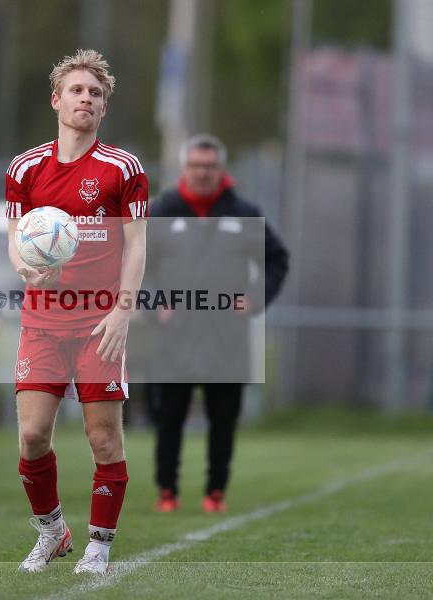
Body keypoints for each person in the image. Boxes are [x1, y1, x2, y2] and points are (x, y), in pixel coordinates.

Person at [5, 49, 149, 575]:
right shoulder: (25, 168)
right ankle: (51, 531)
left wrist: (122, 312)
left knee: (103, 438)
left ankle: (100, 545)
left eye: (95, 93)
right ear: (56, 100)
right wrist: (27, 269)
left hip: (99, 323)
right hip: (42, 320)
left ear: (103, 108)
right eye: (76, 90)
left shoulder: (123, 169)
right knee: (32, 435)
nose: (85, 98)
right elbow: (15, 241)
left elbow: (136, 246)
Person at [147, 134, 289, 513]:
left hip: (226, 335)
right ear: (184, 169)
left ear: (221, 170)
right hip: (174, 336)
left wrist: (256, 299)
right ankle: (167, 492)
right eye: (195, 165)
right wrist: (152, 303)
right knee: (168, 417)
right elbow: (135, 265)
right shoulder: (161, 211)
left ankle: (215, 492)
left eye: (210, 166)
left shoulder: (243, 213)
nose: (203, 173)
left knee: (223, 419)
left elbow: (277, 260)